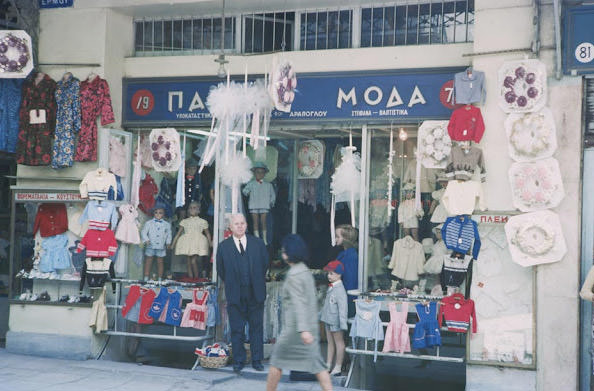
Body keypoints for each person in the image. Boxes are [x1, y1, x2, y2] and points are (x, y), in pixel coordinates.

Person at [266, 234, 332, 391]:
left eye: (284, 251)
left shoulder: (294, 274)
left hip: (295, 331)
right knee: (317, 365)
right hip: (310, 327)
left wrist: (303, 330)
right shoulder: (305, 271)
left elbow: (298, 303)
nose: (282, 254)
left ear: (288, 253)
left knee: (276, 362)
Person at [216, 213, 268, 373]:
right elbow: (221, 270)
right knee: (237, 328)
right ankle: (238, 360)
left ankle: (257, 359)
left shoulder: (258, 244)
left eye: (242, 223)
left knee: (256, 327)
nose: (240, 226)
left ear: (246, 225)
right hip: (235, 293)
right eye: (236, 224)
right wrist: (234, 283)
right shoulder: (223, 246)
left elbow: (265, 264)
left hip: (255, 292)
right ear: (230, 227)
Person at [170, 201, 212, 279]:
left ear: (199, 210)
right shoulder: (184, 221)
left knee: (193, 261)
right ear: (188, 210)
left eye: (195, 208)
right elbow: (178, 234)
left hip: (197, 242)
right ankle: (191, 278)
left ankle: (196, 278)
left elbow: (207, 233)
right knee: (188, 262)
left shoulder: (202, 221)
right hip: (187, 242)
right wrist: (173, 244)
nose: (192, 209)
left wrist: (210, 243)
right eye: (191, 208)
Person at [320, 260, 348, 376]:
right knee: (330, 343)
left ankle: (338, 366)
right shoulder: (331, 288)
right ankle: (328, 364)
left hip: (335, 321)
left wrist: (343, 323)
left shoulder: (340, 290)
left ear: (339, 274)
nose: (329, 276)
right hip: (328, 319)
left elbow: (343, 308)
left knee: (339, 343)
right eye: (328, 273)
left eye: (331, 273)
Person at [242, 162, 276, 245]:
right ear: (254, 173)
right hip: (254, 205)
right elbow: (244, 191)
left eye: (262, 172)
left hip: (264, 205)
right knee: (255, 222)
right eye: (257, 172)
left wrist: (271, 202)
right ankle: (257, 239)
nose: (259, 174)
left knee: (263, 222)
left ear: (264, 174)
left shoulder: (268, 185)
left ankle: (264, 239)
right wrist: (248, 193)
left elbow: (273, 195)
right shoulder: (251, 184)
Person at [141, 204, 172, 280]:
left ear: (164, 214)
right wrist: (146, 239)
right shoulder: (149, 223)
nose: (158, 214)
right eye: (156, 212)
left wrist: (168, 243)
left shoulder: (166, 224)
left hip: (161, 246)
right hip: (150, 244)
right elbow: (143, 232)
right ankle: (146, 277)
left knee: (160, 262)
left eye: (160, 213)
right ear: (153, 213)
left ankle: (160, 278)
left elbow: (169, 234)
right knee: (149, 261)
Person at [335, 224, 358, 317]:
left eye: (338, 237)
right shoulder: (344, 254)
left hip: (347, 299)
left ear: (345, 239)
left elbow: (350, 282)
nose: (335, 239)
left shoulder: (350, 257)